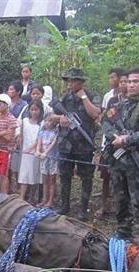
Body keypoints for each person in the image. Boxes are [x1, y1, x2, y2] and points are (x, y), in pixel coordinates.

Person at [56, 68, 101, 220]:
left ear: (81, 82)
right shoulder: (65, 97)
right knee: (64, 176)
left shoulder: (91, 96)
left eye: (73, 80)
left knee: (86, 178)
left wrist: (83, 97)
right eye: (68, 80)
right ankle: (64, 206)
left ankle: (83, 209)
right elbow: (50, 115)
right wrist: (59, 119)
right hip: (66, 145)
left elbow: (95, 114)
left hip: (84, 145)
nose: (69, 83)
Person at [102, 68, 139, 243]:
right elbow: (106, 123)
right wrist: (114, 137)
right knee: (120, 199)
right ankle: (123, 232)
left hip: (135, 162)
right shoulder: (118, 106)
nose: (132, 84)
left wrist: (128, 139)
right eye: (130, 81)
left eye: (136, 81)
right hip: (119, 161)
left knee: (136, 200)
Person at [96, 68, 124, 217]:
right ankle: (104, 205)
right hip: (109, 143)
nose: (110, 80)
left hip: (126, 144)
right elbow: (104, 119)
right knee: (105, 176)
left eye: (113, 77)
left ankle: (120, 207)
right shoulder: (109, 98)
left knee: (121, 178)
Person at [0, 93, 19, 194]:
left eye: (0, 104)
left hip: (6, 151)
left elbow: (8, 137)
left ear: (6, 105)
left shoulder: (12, 119)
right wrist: (3, 132)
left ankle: (4, 196)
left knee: (4, 175)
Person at [18, 99, 44, 201]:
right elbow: (21, 135)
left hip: (35, 152)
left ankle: (32, 197)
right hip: (24, 152)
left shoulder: (41, 124)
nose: (34, 112)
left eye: (36, 110)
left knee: (34, 174)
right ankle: (21, 196)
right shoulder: (24, 121)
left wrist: (32, 148)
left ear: (40, 110)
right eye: (32, 109)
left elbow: (39, 138)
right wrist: (20, 145)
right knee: (24, 174)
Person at [36, 113, 59, 208]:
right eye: (46, 121)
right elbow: (39, 142)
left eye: (50, 121)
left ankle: (50, 200)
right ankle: (44, 199)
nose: (47, 123)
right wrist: (38, 150)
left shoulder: (56, 132)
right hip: (43, 158)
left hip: (52, 158)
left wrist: (45, 152)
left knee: (52, 179)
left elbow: (53, 143)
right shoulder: (42, 132)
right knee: (45, 179)